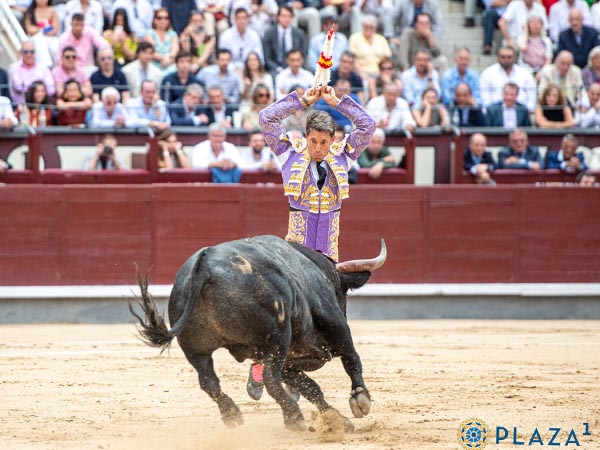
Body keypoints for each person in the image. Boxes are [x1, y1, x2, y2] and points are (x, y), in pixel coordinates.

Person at [259, 84, 376, 262]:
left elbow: (368, 125)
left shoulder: (344, 155)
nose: (318, 148)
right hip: (296, 254)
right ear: (306, 137)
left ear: (333, 140)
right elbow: (266, 118)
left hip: (329, 254)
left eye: (323, 142)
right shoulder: (289, 153)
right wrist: (303, 102)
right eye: (313, 141)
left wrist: (337, 103)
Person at [479, 46, 537, 112]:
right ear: (498, 58)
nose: (506, 60)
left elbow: (532, 96)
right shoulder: (487, 74)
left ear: (514, 58)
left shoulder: (525, 74)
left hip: (520, 114)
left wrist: (527, 111)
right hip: (495, 114)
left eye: (509, 57)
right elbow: (484, 97)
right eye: (503, 57)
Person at [262, 6, 306, 75]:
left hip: (295, 67)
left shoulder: (299, 33)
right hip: (276, 68)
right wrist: (277, 69)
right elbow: (267, 57)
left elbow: (303, 54)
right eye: (284, 16)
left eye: (289, 16)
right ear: (278, 17)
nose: (286, 19)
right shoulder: (269, 33)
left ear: (292, 18)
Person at [9, 40, 55, 106]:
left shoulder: (43, 68)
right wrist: (40, 88)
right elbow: (18, 86)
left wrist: (28, 85)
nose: (29, 54)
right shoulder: (14, 67)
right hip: (21, 107)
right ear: (21, 52)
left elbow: (51, 89)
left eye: (32, 52)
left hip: (42, 107)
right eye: (25, 51)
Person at [23, 0, 59, 68]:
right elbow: (29, 29)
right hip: (36, 38)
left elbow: (55, 30)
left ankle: (57, 67)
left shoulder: (53, 10)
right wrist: (42, 29)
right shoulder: (30, 11)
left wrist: (44, 30)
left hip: (50, 37)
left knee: (54, 47)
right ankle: (46, 66)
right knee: (40, 40)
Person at [145, 8, 180, 74]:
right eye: (160, 18)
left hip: (170, 62)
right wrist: (164, 58)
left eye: (166, 18)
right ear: (155, 20)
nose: (163, 20)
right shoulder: (150, 33)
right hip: (154, 63)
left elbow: (175, 50)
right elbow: (151, 51)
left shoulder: (172, 34)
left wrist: (169, 59)